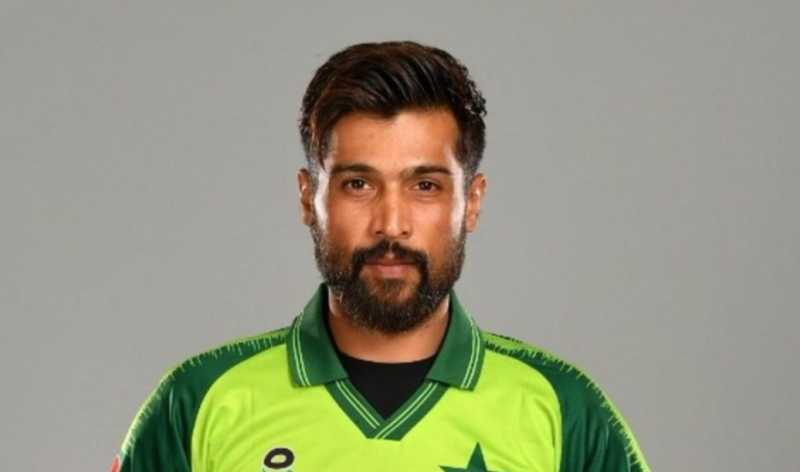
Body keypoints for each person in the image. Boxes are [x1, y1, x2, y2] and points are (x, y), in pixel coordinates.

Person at [110, 41, 651, 472]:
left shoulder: (563, 411)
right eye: (359, 184)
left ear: (472, 203)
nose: (391, 224)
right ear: (309, 198)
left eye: (425, 186)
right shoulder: (199, 403)